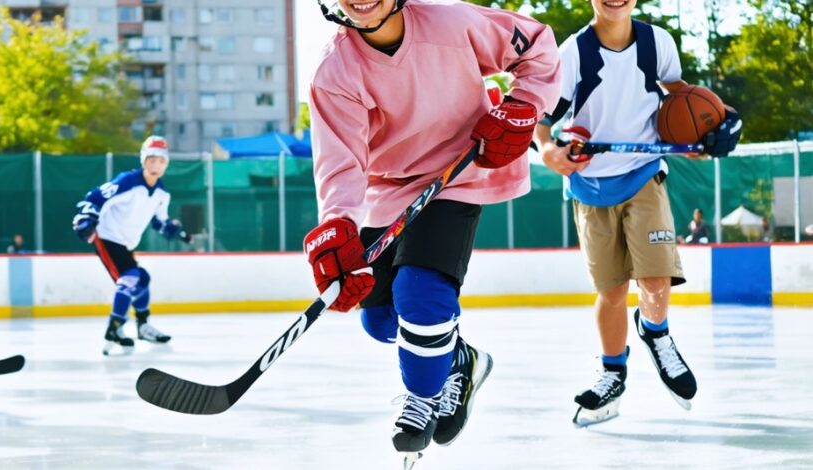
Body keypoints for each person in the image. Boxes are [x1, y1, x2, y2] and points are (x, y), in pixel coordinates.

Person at [307, 0, 560, 460]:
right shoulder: (333, 71)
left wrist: (525, 105)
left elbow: (538, 45)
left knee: (421, 294)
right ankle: (458, 358)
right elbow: (339, 164)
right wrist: (338, 224)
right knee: (381, 319)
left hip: (459, 171)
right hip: (389, 189)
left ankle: (420, 399)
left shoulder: (452, 22)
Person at [534, 0, 741, 426]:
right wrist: (549, 151)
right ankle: (612, 371)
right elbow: (543, 122)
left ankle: (656, 333)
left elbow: (682, 100)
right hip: (589, 185)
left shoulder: (656, 43)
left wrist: (711, 130)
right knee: (611, 292)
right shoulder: (573, 53)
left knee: (655, 277)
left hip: (644, 172)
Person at [72, 136, 192, 356]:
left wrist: (170, 229)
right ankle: (114, 328)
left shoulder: (161, 193)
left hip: (125, 243)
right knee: (130, 277)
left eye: (161, 161)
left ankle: (143, 326)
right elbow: (96, 197)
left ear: (166, 164)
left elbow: (158, 220)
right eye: (151, 160)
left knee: (142, 279)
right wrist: (85, 218)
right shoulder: (128, 181)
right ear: (143, 160)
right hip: (106, 237)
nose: (156, 165)